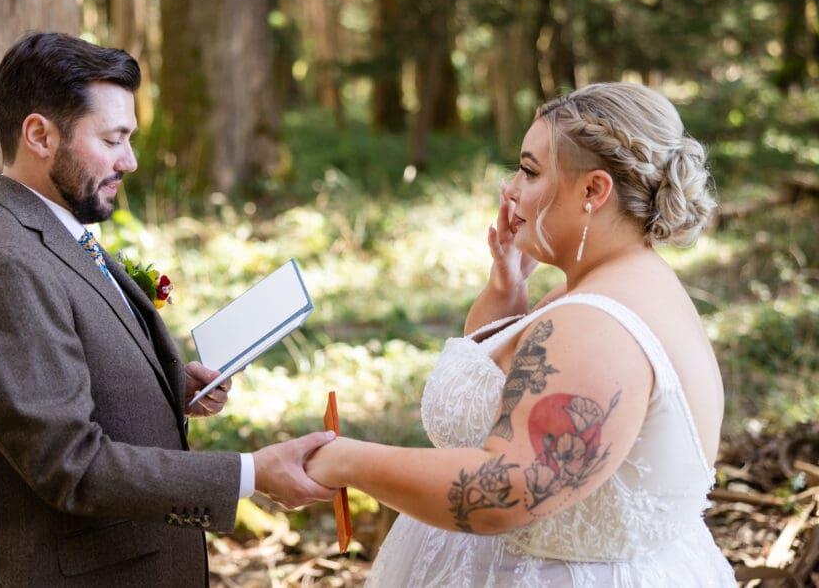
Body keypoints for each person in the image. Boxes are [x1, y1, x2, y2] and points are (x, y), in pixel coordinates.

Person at [0, 32, 335, 587]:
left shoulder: (58, 232)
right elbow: (70, 464)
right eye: (114, 139)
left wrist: (170, 386)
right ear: (39, 135)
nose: (131, 160)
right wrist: (250, 473)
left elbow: (75, 368)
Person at [306, 82, 737, 586]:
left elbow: (502, 493)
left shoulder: (595, 328)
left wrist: (347, 461)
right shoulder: (613, 284)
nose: (510, 189)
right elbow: (502, 384)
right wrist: (507, 287)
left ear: (594, 191)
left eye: (530, 171)